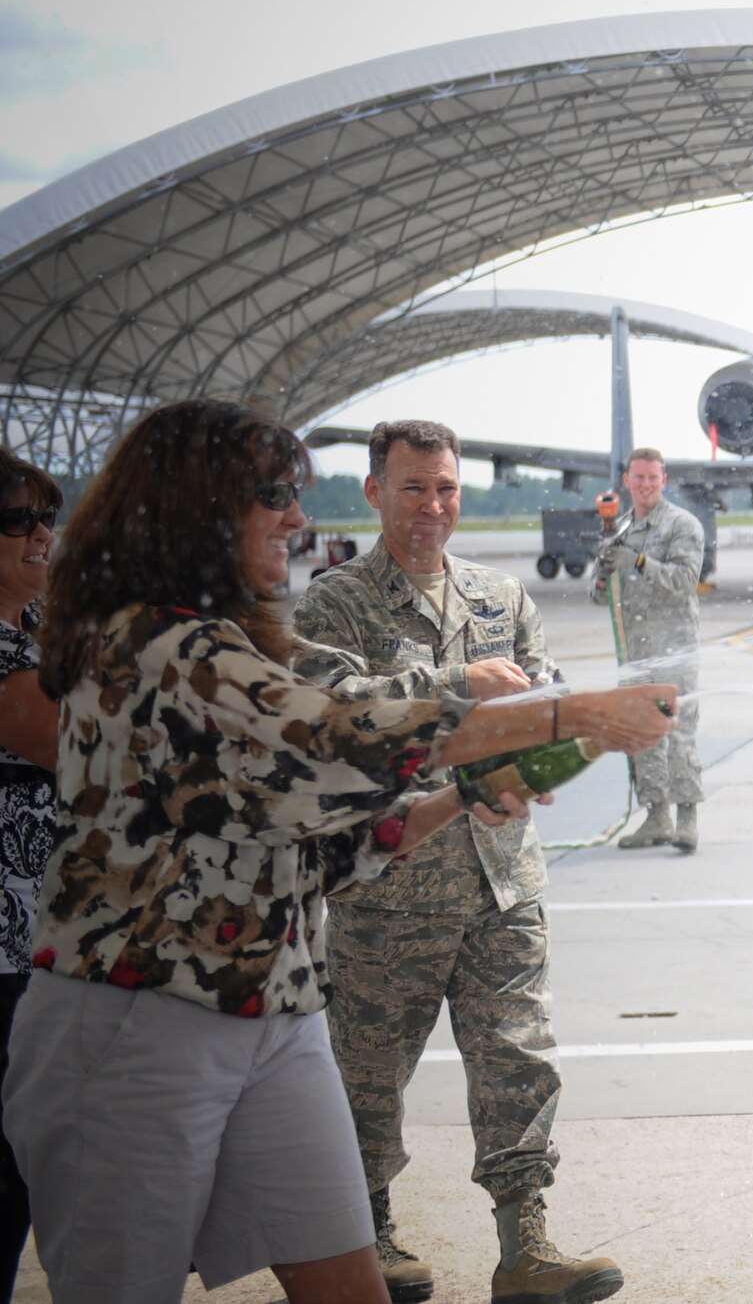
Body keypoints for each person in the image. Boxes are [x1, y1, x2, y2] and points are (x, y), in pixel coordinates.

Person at [1, 400, 674, 1304]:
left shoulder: (239, 641)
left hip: (270, 1009)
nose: (297, 515)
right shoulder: (155, 647)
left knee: (350, 1285)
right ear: (197, 507)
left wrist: (467, 792)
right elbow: (322, 741)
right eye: (273, 493)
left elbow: (331, 840)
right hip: (137, 1018)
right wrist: (563, 715)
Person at [291, 419, 620, 1304]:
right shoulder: (336, 603)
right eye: (412, 488)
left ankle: (526, 1245)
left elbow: (543, 710)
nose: (432, 506)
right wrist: (456, 689)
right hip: (390, 886)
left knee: (519, 1059)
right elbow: (339, 720)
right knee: (367, 1072)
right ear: (372, 493)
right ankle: (370, 1240)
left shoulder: (499, 598)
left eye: (445, 488)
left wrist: (544, 765)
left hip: (501, 878)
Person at [0, 450, 59, 1304]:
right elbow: (65, 743)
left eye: (49, 516)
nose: (43, 533)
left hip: (38, 931)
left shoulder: (46, 627)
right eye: (18, 520)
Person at [591, 448, 705, 852]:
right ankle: (656, 816)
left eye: (652, 478)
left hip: (674, 648)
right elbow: (597, 594)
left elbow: (684, 580)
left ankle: (687, 818)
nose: (645, 485)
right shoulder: (618, 529)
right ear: (627, 482)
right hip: (635, 651)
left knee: (679, 733)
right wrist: (604, 573)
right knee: (642, 735)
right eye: (638, 478)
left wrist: (637, 562)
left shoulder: (682, 526)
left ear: (664, 481)